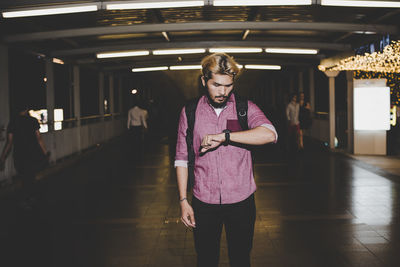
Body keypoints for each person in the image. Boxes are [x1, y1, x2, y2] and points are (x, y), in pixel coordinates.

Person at [175, 53, 277, 267]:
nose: (223, 92)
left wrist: (225, 137)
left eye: (228, 85)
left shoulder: (244, 108)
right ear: (204, 81)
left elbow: (270, 134)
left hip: (241, 200)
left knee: (240, 259)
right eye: (216, 85)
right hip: (204, 201)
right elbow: (182, 158)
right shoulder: (190, 111)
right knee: (206, 259)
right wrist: (183, 200)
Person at [0, 103, 50, 208]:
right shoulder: (33, 121)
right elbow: (39, 138)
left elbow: (9, 142)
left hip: (19, 154)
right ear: (26, 109)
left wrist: (3, 157)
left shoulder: (13, 122)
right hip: (32, 153)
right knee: (31, 176)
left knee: (24, 176)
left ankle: (29, 197)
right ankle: (31, 197)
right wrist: (45, 153)